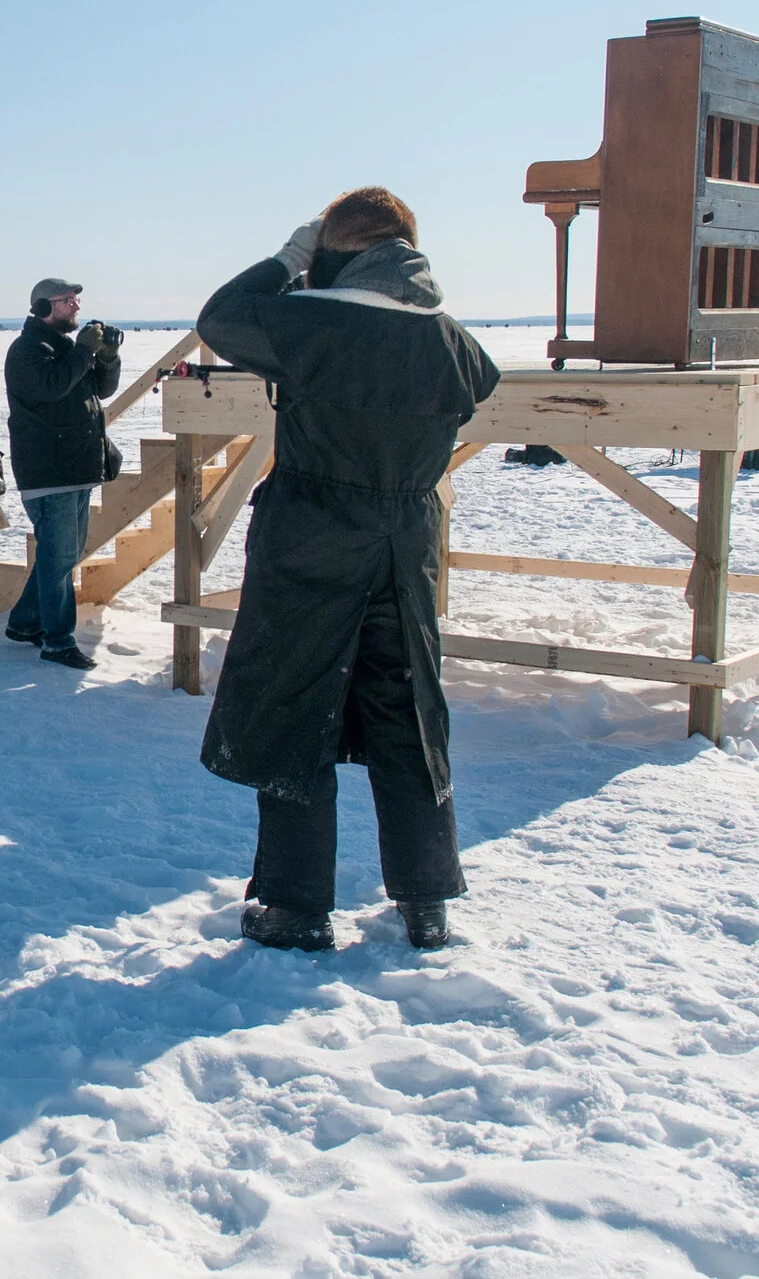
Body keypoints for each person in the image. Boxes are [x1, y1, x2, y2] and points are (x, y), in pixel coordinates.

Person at [195, 187, 501, 954]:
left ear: (339, 254)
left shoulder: (315, 322)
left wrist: (289, 261)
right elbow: (483, 381)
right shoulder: (449, 341)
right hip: (406, 542)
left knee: (295, 712)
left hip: (311, 542)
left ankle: (297, 908)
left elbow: (222, 318)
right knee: (409, 716)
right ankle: (426, 898)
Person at [1, 277, 121, 669]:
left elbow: (100, 391)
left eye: (76, 300)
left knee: (60, 555)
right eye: (67, 301)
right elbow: (51, 388)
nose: (75, 307)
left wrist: (106, 357)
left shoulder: (66, 349)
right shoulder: (26, 351)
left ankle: (24, 622)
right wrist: (83, 352)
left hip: (76, 465)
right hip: (50, 470)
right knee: (59, 557)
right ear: (41, 308)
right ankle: (57, 640)